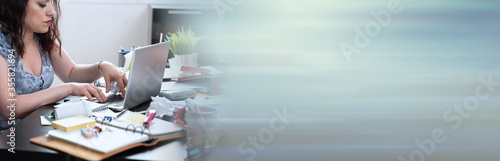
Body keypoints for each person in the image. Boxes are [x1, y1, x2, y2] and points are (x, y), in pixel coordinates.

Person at [0, 0, 128, 133]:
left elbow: (71, 72)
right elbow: (10, 108)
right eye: (42, 4)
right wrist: (68, 88)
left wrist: (102, 67)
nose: (52, 12)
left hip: (35, 129)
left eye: (52, 4)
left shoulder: (42, 39)